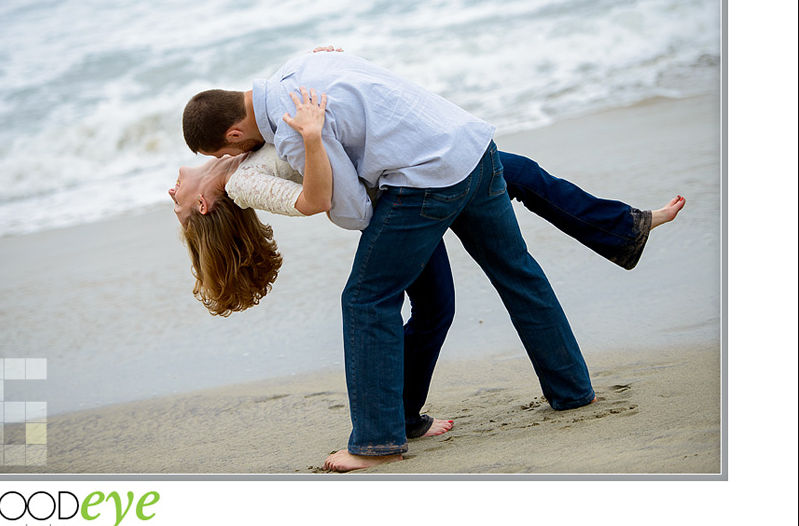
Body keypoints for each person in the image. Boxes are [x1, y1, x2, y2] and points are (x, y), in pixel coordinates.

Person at [181, 51, 685, 471]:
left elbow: (352, 210)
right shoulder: (301, 65)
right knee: (518, 275)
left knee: (366, 298)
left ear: (232, 136)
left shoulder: (292, 125)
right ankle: (574, 392)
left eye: (225, 153)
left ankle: (376, 442)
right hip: (474, 147)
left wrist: (315, 143)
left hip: (428, 182)